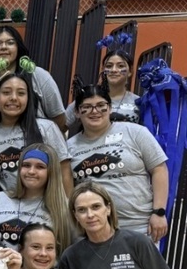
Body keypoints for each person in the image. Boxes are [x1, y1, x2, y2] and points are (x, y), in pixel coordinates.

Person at [67, 82, 168, 241]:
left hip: (139, 227)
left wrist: (159, 212)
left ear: (110, 107)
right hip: (92, 230)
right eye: (87, 107)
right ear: (77, 112)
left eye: (101, 105)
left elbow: (159, 169)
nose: (95, 111)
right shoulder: (69, 147)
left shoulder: (135, 132)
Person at [0, 71, 71, 194]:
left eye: (21, 93)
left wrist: (69, 209)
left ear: (28, 99)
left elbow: (64, 172)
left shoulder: (46, 128)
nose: (13, 98)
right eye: (6, 92)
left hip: (47, 208)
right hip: (7, 210)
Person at [0, 143, 71, 251]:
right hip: (0, 267)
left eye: (40, 167)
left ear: (51, 172)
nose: (31, 171)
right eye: (26, 165)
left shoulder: (65, 207)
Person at [0, 25, 65, 130]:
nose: (3, 47)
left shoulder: (38, 75)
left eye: (10, 43)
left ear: (18, 47)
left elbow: (59, 118)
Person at [65, 51, 139, 133]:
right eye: (109, 66)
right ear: (103, 70)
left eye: (120, 66)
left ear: (130, 71)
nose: (114, 70)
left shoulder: (139, 102)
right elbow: (60, 126)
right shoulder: (88, 97)